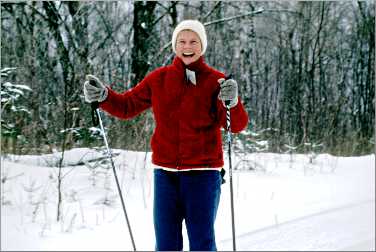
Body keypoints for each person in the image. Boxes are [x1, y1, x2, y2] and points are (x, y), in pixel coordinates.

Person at [83, 19, 248, 251]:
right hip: (166, 176)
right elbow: (127, 106)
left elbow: (237, 125)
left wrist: (233, 101)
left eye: (193, 41)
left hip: (203, 175)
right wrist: (104, 96)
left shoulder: (216, 81)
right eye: (182, 41)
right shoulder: (158, 79)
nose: (187, 46)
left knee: (202, 243)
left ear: (202, 46)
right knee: (166, 244)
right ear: (175, 45)